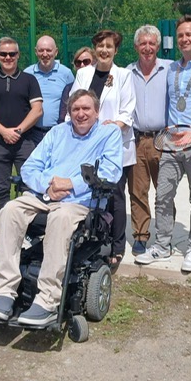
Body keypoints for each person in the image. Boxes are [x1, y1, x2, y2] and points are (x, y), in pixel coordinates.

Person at [0, 89, 123, 326]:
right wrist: (47, 187)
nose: (81, 114)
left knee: (60, 218)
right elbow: (29, 168)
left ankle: (48, 300)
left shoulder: (109, 133)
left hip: (81, 201)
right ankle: (5, 292)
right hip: (45, 195)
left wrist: (71, 184)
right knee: (9, 210)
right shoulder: (57, 133)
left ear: (97, 111)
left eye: (86, 108)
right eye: (75, 109)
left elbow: (110, 172)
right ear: (69, 112)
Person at [136, 15, 191, 272]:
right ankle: (162, 246)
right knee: (162, 197)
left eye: (189, 35)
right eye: (181, 36)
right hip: (170, 145)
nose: (185, 39)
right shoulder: (171, 68)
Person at [69, 30, 136, 266]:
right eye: (100, 46)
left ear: (116, 50)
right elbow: (74, 103)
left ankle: (117, 247)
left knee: (115, 194)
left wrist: (111, 129)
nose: (104, 50)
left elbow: (127, 111)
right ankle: (90, 241)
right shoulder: (84, 73)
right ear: (94, 49)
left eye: (109, 46)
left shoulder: (124, 75)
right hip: (86, 144)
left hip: (114, 144)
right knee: (87, 192)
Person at [0, 37, 43, 213]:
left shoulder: (29, 80)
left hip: (25, 142)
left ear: (18, 55)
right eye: (3, 54)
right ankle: (3, 229)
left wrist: (18, 131)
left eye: (12, 54)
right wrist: (4, 131)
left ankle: (29, 230)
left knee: (29, 188)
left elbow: (37, 110)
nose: (8, 57)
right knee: (1, 188)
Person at [125, 25, 171, 255]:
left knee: (164, 192)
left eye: (152, 43)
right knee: (137, 191)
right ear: (136, 47)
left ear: (158, 45)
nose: (147, 48)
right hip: (136, 139)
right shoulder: (126, 73)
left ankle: (165, 237)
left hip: (163, 139)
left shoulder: (170, 69)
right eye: (143, 43)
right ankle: (141, 236)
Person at [24, 35, 75, 145]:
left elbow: (73, 101)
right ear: (36, 52)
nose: (45, 54)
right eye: (41, 50)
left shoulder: (66, 73)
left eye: (49, 50)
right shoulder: (27, 74)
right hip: (33, 134)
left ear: (56, 52)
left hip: (59, 132)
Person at [58, 47, 97, 123]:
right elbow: (62, 116)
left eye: (86, 61)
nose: (82, 65)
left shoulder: (99, 84)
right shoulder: (69, 88)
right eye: (78, 62)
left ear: (94, 62)